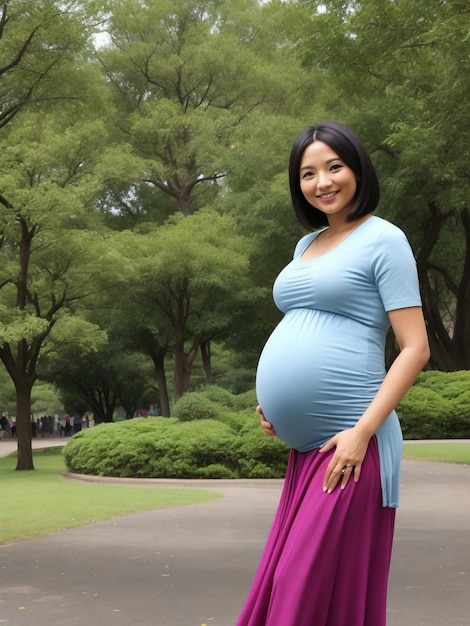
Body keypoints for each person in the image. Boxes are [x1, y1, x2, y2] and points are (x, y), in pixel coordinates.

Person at [236, 121, 430, 626]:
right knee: (292, 587)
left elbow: (415, 348)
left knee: (301, 590)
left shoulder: (384, 239)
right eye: (308, 173)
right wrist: (277, 403)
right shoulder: (306, 246)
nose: (322, 181)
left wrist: (360, 434)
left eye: (334, 167)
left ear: (357, 169)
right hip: (307, 452)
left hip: (352, 446)